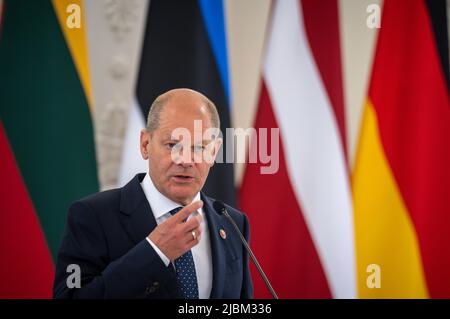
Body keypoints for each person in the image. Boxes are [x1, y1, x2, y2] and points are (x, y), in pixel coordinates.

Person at [53, 88, 253, 299]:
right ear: (145, 144)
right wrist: (154, 252)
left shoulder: (233, 224)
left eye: (198, 148)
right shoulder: (92, 215)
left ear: (214, 152)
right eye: (172, 145)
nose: (185, 160)